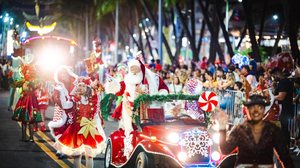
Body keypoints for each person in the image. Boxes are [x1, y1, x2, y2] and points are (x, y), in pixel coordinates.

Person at [105, 58, 169, 159]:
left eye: (135, 69)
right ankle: (129, 153)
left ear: (140, 69)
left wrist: (157, 96)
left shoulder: (153, 78)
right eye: (132, 69)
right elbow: (118, 89)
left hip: (149, 111)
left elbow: (164, 89)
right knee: (130, 132)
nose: (134, 72)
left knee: (150, 131)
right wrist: (112, 84)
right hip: (129, 111)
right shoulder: (127, 79)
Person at [217, 94, 294, 168]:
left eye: (260, 107)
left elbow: (285, 156)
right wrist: (222, 127)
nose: (256, 111)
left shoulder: (273, 130)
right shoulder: (239, 130)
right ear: (247, 110)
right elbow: (225, 149)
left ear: (264, 110)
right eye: (252, 108)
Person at [53, 75, 106, 168]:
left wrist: (100, 131)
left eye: (83, 86)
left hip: (89, 129)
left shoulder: (94, 100)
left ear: (88, 88)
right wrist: (61, 93)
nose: (81, 87)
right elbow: (65, 106)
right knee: (77, 156)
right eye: (79, 85)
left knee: (89, 156)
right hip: (76, 129)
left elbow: (96, 117)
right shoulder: (74, 100)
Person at [12, 64, 42, 142]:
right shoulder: (22, 81)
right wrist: (21, 91)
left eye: (29, 72)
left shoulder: (33, 82)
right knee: (23, 120)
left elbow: (36, 87)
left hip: (31, 101)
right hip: (24, 101)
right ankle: (24, 137)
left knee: (31, 120)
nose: (28, 74)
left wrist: (32, 84)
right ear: (24, 73)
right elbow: (18, 86)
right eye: (26, 72)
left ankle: (31, 137)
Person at [271, 68, 294, 148]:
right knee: (284, 127)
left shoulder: (283, 82)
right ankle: (285, 145)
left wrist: (272, 97)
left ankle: (285, 145)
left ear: (278, 73)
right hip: (286, 108)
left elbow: (281, 96)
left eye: (274, 75)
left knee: (284, 128)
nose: (273, 77)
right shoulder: (282, 82)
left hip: (285, 109)